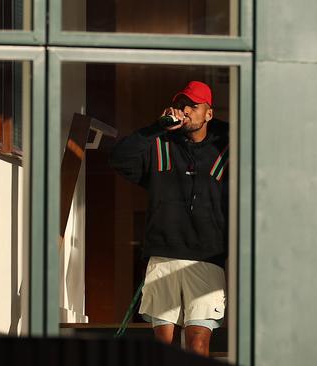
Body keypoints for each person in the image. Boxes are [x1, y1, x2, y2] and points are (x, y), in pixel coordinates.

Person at [109, 81, 228, 357]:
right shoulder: (159, 143)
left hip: (207, 258)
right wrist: (156, 127)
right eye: (182, 104)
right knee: (164, 345)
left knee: (199, 344)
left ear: (208, 113)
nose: (185, 110)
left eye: (193, 106)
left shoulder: (226, 148)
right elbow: (119, 159)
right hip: (163, 257)